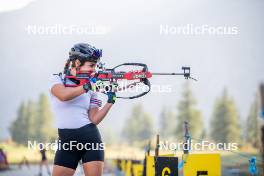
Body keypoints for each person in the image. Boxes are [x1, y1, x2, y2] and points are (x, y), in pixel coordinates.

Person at [50, 43, 116, 176]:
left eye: (95, 66)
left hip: (90, 140)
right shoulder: (57, 79)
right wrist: (88, 86)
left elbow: (94, 119)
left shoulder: (92, 87)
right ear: (77, 62)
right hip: (66, 144)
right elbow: (63, 96)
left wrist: (110, 101)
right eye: (91, 65)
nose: (94, 69)